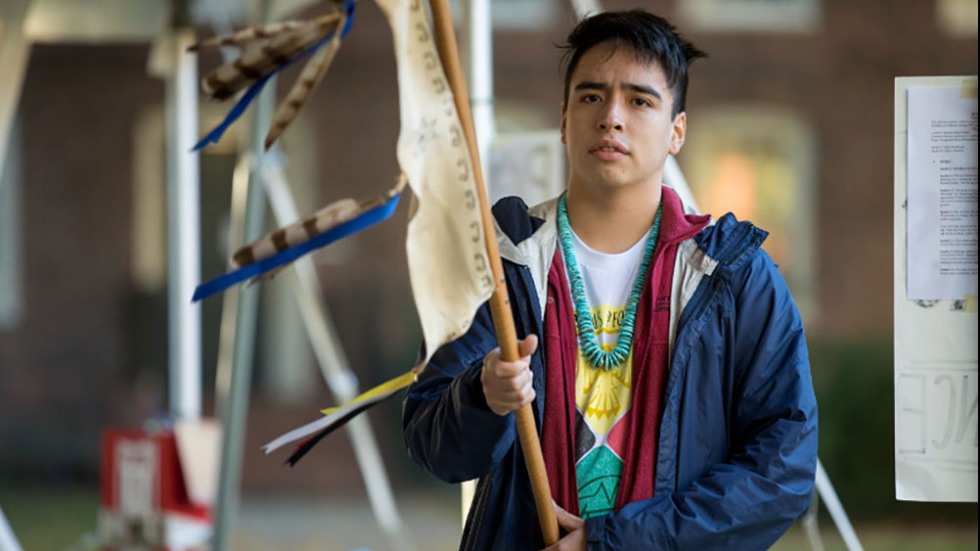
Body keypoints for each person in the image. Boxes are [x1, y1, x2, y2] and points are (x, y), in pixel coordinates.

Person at [403, 9, 818, 551]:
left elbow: (781, 471)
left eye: (640, 100)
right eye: (592, 96)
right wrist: (483, 397)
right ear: (563, 119)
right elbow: (434, 447)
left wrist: (620, 541)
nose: (612, 117)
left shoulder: (733, 275)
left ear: (677, 131)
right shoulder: (500, 261)